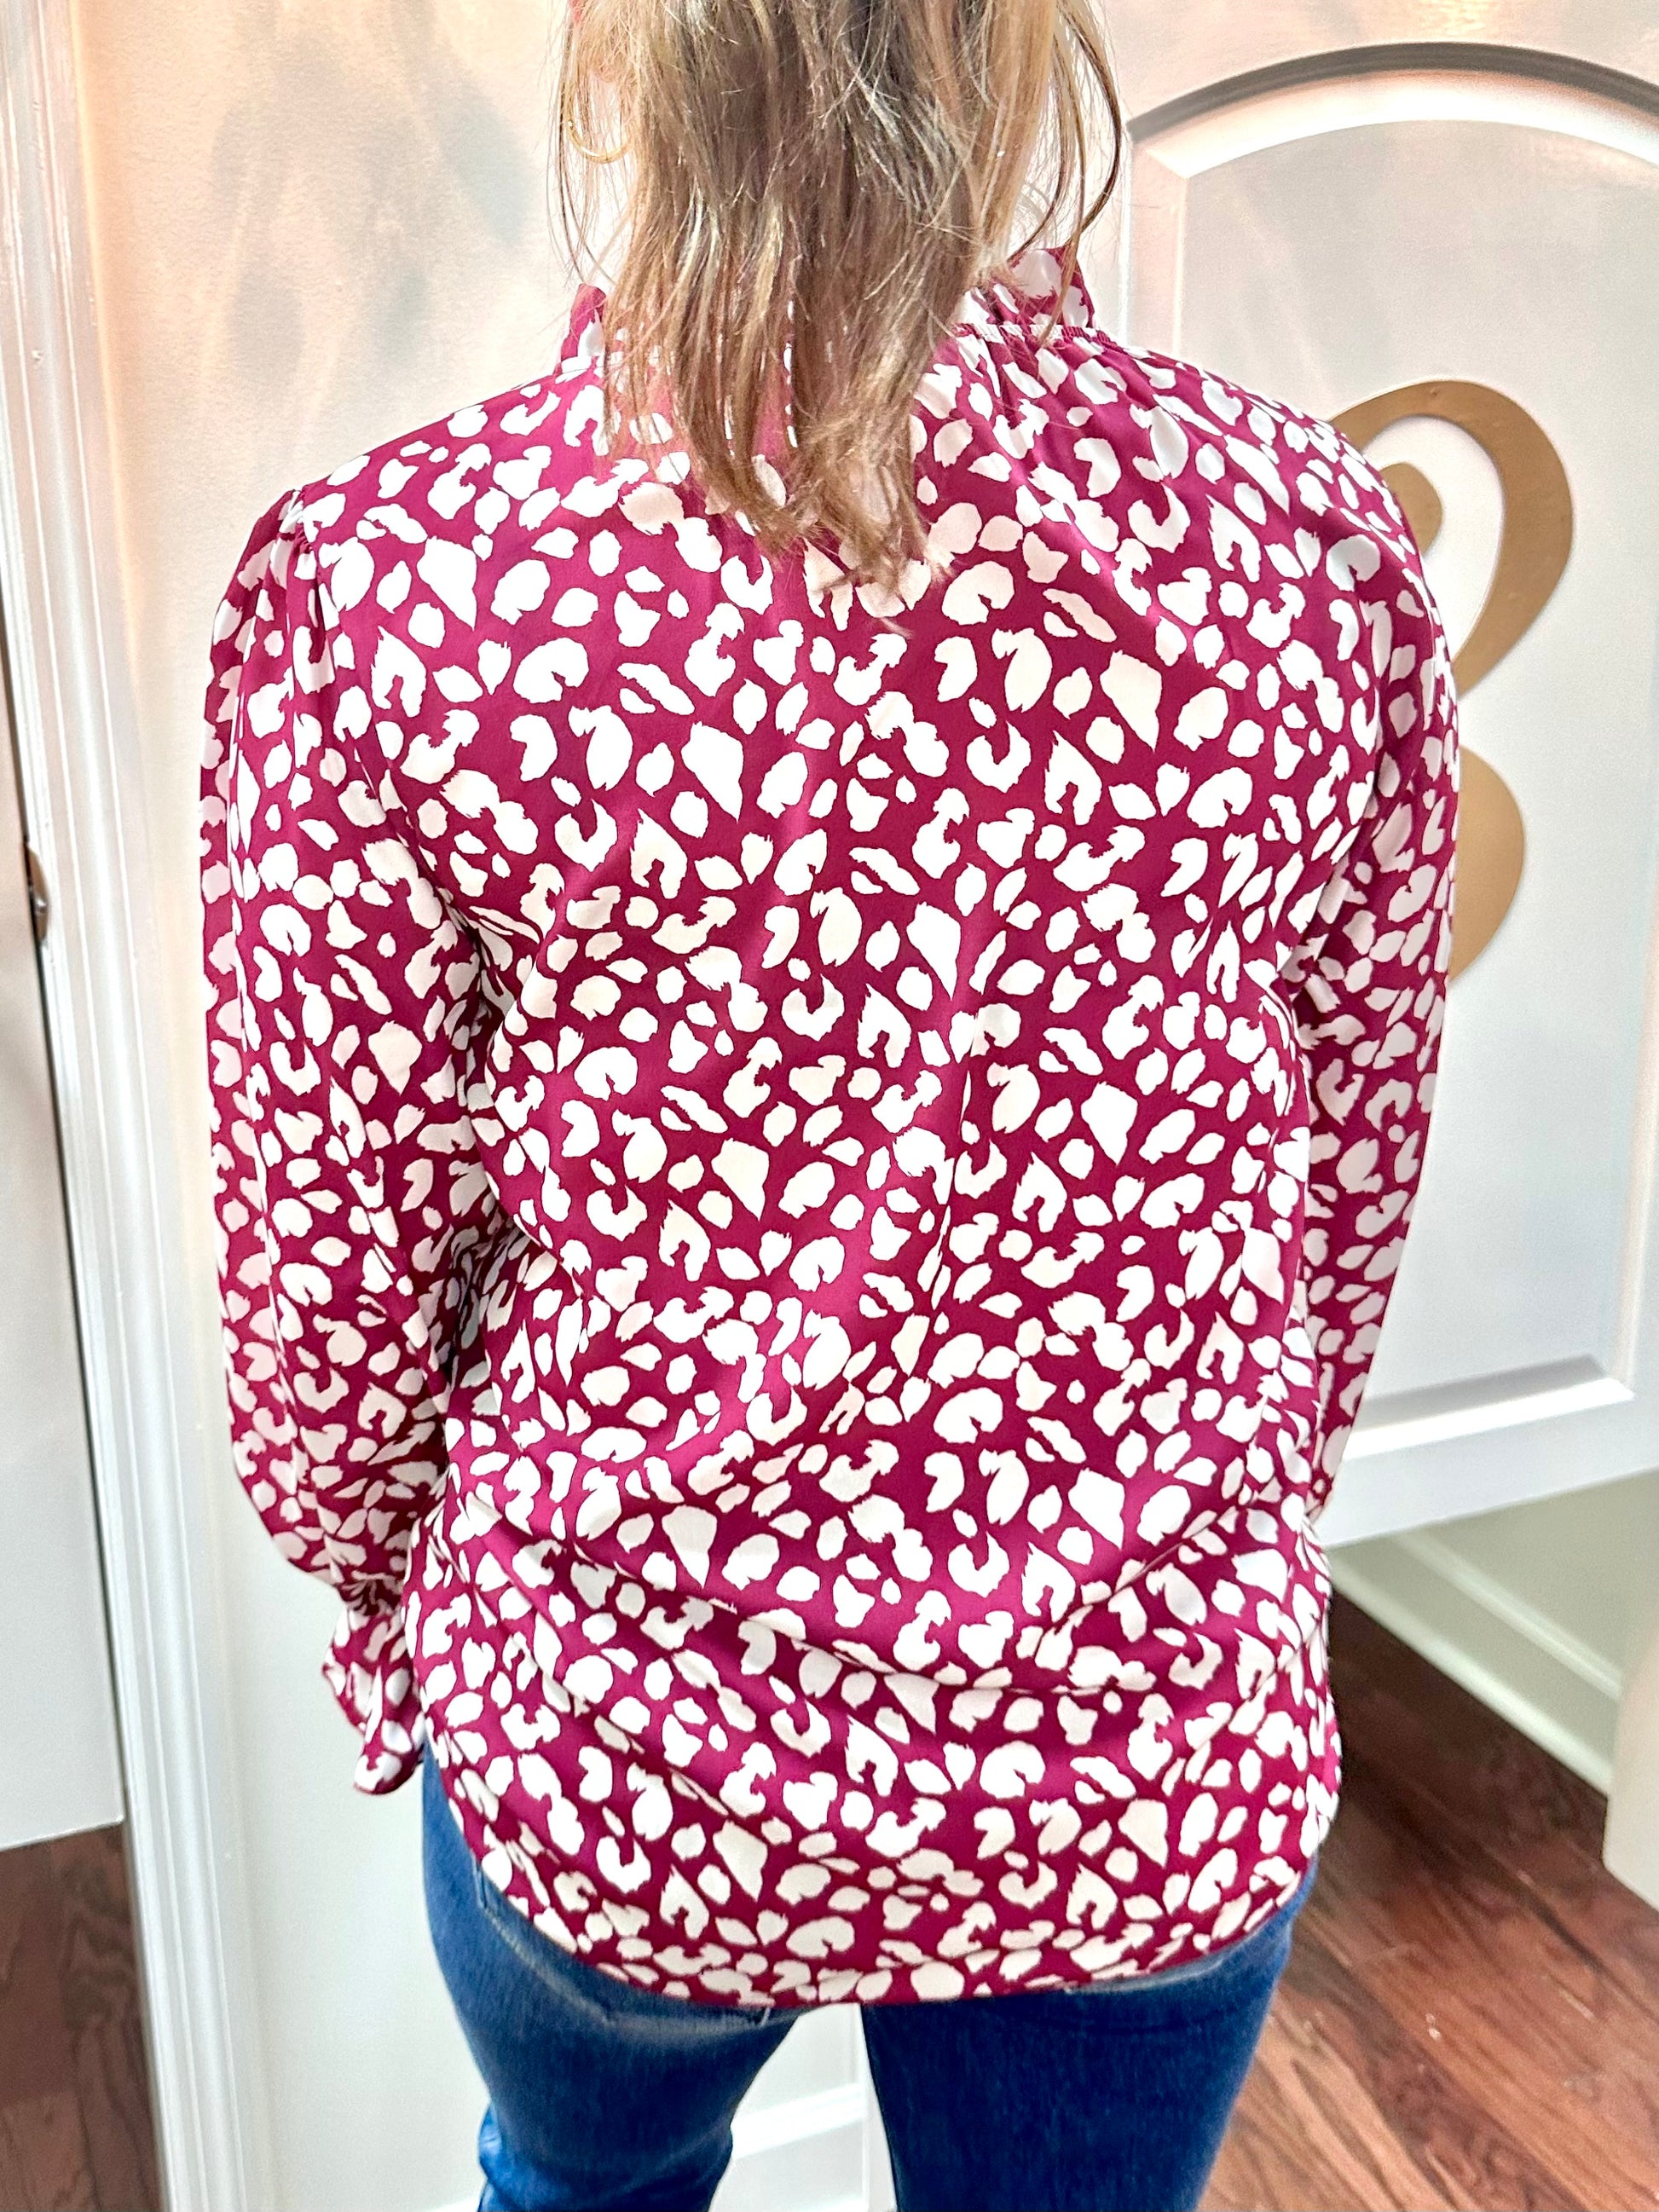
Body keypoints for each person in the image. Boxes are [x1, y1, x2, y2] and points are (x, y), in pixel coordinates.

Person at [199, 1, 1460, 2205]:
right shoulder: (1308, 550)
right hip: (1140, 1753)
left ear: (630, 57)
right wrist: (1193, 1535)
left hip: (623, 1759)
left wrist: (421, 1616)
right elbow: (1340, 1195)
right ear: (1019, 48)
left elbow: (331, 1317)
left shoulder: (403, 587)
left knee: (583, 2192)